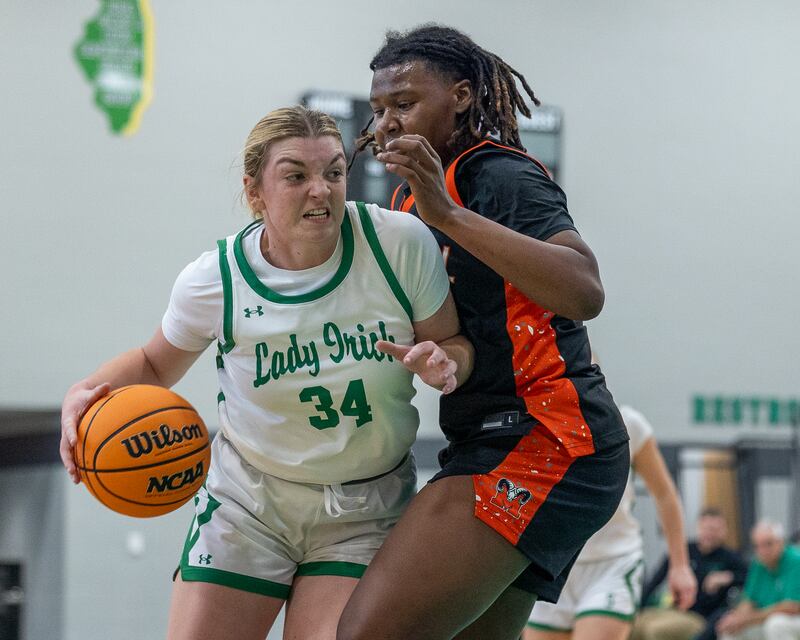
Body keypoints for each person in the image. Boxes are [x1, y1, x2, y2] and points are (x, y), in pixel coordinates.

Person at [58, 105, 474, 640]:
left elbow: (453, 345)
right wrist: (84, 391)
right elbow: (152, 363)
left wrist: (447, 364)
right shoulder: (216, 278)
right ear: (255, 191)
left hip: (363, 507)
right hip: (249, 504)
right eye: (296, 175)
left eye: (333, 172)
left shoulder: (399, 244)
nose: (320, 190)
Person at [336, 24, 631, 640]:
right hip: (488, 432)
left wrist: (449, 214)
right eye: (379, 109)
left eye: (405, 104)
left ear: (463, 97)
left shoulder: (497, 175)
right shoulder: (407, 204)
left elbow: (585, 289)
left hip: (550, 435)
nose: (387, 122)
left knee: (366, 632)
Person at [524, 404, 697, 640]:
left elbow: (665, 494)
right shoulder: (532, 419)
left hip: (611, 562)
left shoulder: (627, 422)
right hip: (550, 562)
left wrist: (680, 566)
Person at [633, 508, 748, 640]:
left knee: (656, 631)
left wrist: (728, 577)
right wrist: (639, 607)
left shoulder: (730, 558)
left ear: (724, 531)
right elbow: (655, 581)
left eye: (715, 529)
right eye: (706, 528)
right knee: (632, 625)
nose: (710, 533)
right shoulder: (684, 551)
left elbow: (750, 579)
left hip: (701, 618)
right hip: (672, 610)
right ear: (698, 527)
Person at [716, 520, 800, 640]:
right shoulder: (758, 564)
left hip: (792, 619)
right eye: (757, 546)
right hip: (765, 618)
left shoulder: (796, 561)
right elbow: (748, 601)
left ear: (781, 542)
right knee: (730, 629)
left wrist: (748, 619)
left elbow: (791, 607)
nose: (762, 551)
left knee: (776, 624)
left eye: (768, 544)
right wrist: (736, 618)